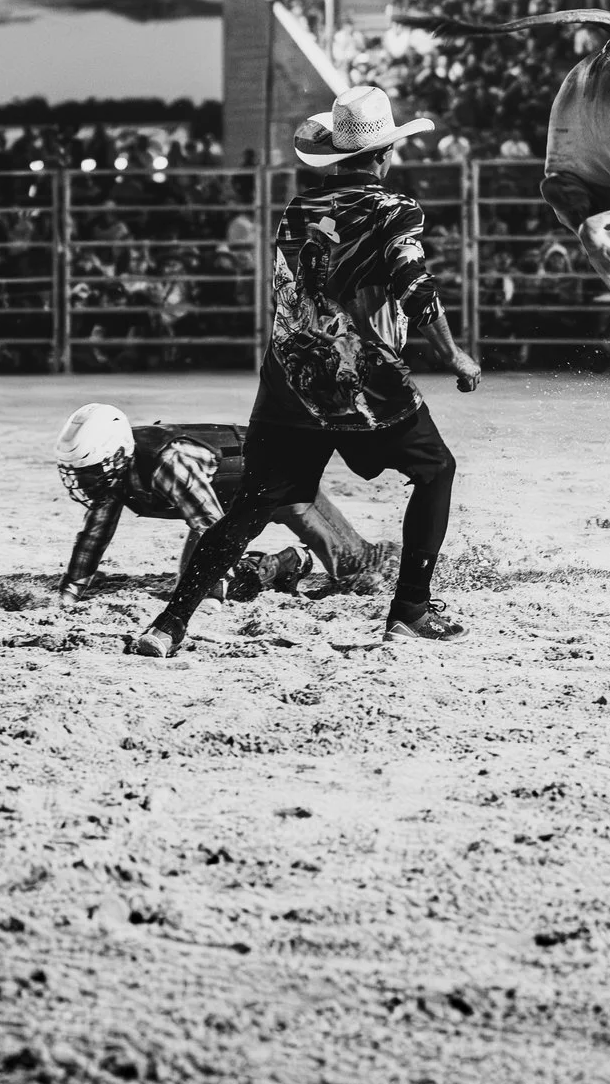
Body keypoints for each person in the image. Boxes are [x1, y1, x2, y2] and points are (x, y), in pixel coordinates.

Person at [128, 87, 481, 658]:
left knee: (250, 508)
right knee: (435, 470)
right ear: (383, 155)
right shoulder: (394, 211)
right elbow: (415, 285)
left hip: (291, 378)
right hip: (359, 377)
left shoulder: (297, 211)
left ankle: (170, 623)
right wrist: (454, 355)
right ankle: (410, 608)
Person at [51, 402, 390, 606]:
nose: (85, 482)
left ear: (118, 454)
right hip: (230, 493)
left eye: (92, 471)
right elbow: (96, 534)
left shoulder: (168, 462)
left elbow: (212, 527)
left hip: (279, 473)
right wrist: (72, 588)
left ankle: (416, 567)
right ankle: (286, 562)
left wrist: (209, 592)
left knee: (359, 570)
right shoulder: (116, 469)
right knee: (206, 582)